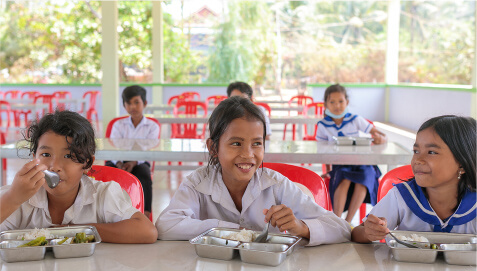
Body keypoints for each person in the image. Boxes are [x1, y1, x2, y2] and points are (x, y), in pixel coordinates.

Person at [156, 96, 351, 245]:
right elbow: (165, 226)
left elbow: (341, 228)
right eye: (236, 143)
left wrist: (301, 227)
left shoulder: (276, 185)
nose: (248, 154)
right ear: (214, 148)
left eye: (257, 143)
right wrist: (232, 230)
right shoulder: (197, 184)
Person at [0, 110, 158, 243]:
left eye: (68, 156)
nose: (54, 166)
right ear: (34, 158)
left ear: (87, 163)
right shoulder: (17, 196)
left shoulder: (103, 195)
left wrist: (70, 231)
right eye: (46, 154)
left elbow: (147, 231)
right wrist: (13, 198)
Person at [352, 115, 476, 243]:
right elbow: (356, 233)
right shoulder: (402, 196)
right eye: (416, 151)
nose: (418, 160)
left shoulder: (474, 203)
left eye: (431, 152)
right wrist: (369, 232)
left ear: (461, 164)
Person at [315, 83, 386, 223]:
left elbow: (379, 134)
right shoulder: (323, 125)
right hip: (340, 164)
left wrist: (381, 138)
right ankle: (336, 220)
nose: (337, 106)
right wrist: (328, 170)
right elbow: (322, 151)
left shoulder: (355, 119)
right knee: (344, 178)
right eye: (332, 102)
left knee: (364, 179)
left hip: (362, 163)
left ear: (347, 102)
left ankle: (347, 222)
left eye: (341, 101)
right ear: (326, 104)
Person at [105, 85, 160, 218]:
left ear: (145, 103)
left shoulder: (152, 126)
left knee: (144, 175)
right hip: (118, 159)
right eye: (128, 103)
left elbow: (148, 150)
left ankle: (145, 215)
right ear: (124, 106)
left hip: (139, 161)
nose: (133, 107)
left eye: (136, 102)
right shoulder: (118, 125)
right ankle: (107, 213)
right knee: (107, 173)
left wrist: (133, 163)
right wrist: (119, 163)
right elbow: (113, 147)